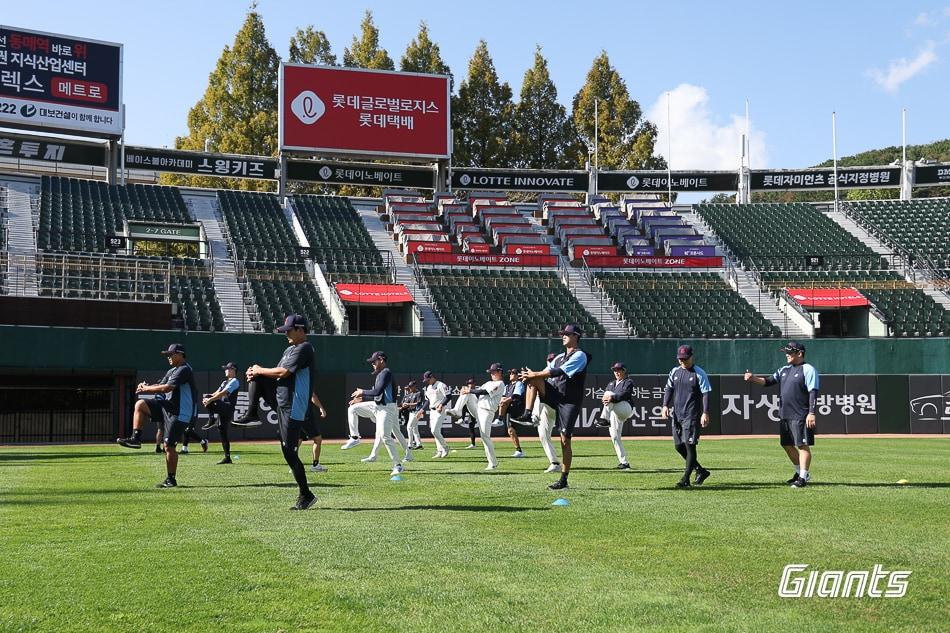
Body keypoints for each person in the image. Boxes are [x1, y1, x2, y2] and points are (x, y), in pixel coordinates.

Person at [243, 314, 319, 510]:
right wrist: (255, 371)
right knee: (255, 376)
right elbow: (277, 371)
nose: (286, 334)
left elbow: (284, 372)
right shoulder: (290, 349)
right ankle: (252, 414)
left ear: (301, 330)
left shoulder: (305, 348)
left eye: (289, 330)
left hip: (294, 405)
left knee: (289, 453)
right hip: (282, 399)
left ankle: (306, 494)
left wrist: (260, 370)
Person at [514, 325, 590, 490]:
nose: (563, 336)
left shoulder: (580, 355)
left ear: (576, 336)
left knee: (565, 440)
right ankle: (528, 414)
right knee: (532, 379)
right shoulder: (559, 356)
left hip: (569, 401)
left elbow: (558, 372)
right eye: (563, 334)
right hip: (556, 395)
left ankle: (563, 480)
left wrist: (534, 374)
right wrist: (530, 375)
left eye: (567, 334)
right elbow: (544, 372)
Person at [116, 343, 198, 489]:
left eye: (170, 354)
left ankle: (171, 479)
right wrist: (146, 386)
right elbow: (161, 385)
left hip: (180, 413)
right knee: (140, 404)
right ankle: (136, 438)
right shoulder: (173, 370)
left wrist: (147, 388)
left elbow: (167, 388)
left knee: (168, 446)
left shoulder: (184, 370)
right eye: (167, 355)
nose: (168, 357)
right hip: (167, 408)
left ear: (180, 354)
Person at [744, 341, 819, 488]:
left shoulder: (808, 369)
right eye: (786, 352)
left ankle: (803, 477)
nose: (787, 355)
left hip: (801, 414)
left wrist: (811, 412)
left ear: (800, 353)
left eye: (790, 352)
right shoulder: (784, 369)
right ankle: (800, 472)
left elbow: (813, 392)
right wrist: (753, 378)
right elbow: (768, 381)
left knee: (802, 445)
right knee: (786, 444)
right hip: (785, 414)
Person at [661, 346, 713, 488]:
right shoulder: (674, 371)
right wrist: (665, 405)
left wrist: (705, 412)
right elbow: (669, 388)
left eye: (685, 358)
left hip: (691, 415)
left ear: (691, 357)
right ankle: (700, 471)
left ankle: (685, 479)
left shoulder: (699, 373)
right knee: (679, 446)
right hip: (677, 415)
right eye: (680, 358)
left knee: (690, 447)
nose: (682, 361)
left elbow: (706, 393)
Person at [350, 351, 404, 476]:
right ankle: (354, 437)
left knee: (385, 437)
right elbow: (378, 395)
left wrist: (362, 392)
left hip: (387, 408)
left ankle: (398, 465)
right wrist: (362, 398)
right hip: (378, 407)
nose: (372, 364)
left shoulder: (386, 373)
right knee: (353, 409)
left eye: (374, 362)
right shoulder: (381, 374)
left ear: (381, 360)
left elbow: (377, 391)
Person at [447, 363, 506, 470]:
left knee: (485, 437)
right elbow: (477, 393)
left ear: (500, 371)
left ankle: (493, 463)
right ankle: (457, 411)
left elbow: (483, 392)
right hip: (477, 408)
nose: (491, 374)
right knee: (466, 390)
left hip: (487, 412)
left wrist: (469, 390)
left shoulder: (500, 384)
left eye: (493, 372)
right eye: (491, 372)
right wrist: (467, 391)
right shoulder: (488, 382)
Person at [201, 361, 240, 465]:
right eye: (226, 368)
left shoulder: (235, 381)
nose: (226, 370)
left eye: (228, 368)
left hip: (228, 408)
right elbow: (216, 393)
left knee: (210, 399)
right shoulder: (224, 382)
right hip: (223, 408)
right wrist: (207, 398)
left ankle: (211, 418)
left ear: (233, 370)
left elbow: (223, 393)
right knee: (222, 432)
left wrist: (209, 400)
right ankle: (227, 457)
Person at [597, 362, 634, 470]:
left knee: (610, 395)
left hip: (626, 408)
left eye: (619, 370)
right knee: (615, 437)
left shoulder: (628, 381)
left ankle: (604, 419)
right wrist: (606, 399)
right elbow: (606, 397)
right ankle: (624, 463)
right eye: (615, 370)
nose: (616, 372)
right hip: (614, 411)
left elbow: (625, 394)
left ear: (624, 370)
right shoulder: (611, 383)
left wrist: (610, 398)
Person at [421, 370, 451, 458]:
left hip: (439, 410)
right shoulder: (429, 387)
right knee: (435, 432)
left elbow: (448, 396)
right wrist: (422, 410)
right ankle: (439, 450)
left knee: (434, 430)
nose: (427, 381)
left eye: (427, 379)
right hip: (432, 410)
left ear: (432, 377)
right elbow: (427, 400)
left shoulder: (441, 385)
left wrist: (441, 404)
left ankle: (445, 447)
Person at [498, 368, 526, 457]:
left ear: (518, 375)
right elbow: (503, 396)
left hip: (517, 408)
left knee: (511, 430)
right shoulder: (507, 386)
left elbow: (516, 396)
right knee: (510, 430)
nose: (511, 375)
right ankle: (519, 451)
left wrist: (505, 400)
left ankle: (499, 419)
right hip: (510, 409)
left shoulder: (519, 383)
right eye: (510, 373)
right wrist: (503, 400)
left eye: (513, 373)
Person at [301, 391, 329, 472]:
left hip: (294, 413)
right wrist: (321, 408)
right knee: (317, 439)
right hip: (306, 414)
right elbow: (312, 395)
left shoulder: (290, 382)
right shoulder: (305, 380)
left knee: (298, 439)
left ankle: (293, 466)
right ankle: (315, 465)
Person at [400, 381, 424, 450]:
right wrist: (404, 405)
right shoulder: (410, 394)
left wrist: (408, 404)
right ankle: (419, 444)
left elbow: (418, 403)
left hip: (416, 412)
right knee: (414, 428)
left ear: (414, 386)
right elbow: (406, 403)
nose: (409, 388)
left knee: (409, 427)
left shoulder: (418, 393)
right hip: (411, 412)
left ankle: (410, 445)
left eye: (411, 387)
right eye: (409, 387)